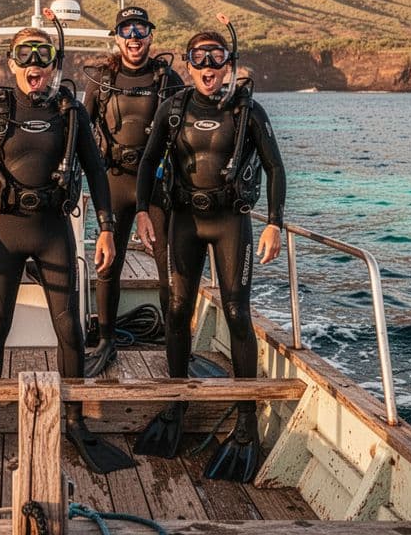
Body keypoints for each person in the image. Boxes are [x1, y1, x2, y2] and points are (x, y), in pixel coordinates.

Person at [0, 25, 131, 476]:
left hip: (53, 233)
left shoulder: (71, 115)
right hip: (4, 235)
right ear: (11, 65)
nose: (33, 67)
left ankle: (76, 422)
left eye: (41, 58)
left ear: (53, 66)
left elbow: (98, 174)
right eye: (23, 58)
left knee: (71, 331)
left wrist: (105, 230)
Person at [131, 28, 286, 482]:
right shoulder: (173, 109)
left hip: (229, 222)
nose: (206, 69)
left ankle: (245, 422)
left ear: (228, 65)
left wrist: (274, 221)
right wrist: (142, 211)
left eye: (215, 60)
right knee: (177, 310)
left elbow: (275, 166)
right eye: (198, 60)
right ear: (188, 65)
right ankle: (176, 405)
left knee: (238, 313)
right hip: (183, 219)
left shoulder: (247, 111)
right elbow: (147, 161)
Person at [79, 5, 183, 377]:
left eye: (141, 30)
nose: (134, 37)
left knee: (167, 267)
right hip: (114, 181)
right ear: (117, 37)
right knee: (109, 263)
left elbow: (189, 132)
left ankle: (175, 342)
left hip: (157, 185)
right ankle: (106, 341)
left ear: (151, 36)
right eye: (126, 30)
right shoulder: (102, 81)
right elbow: (78, 132)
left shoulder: (166, 78)